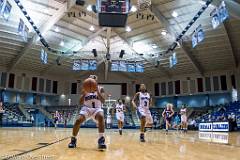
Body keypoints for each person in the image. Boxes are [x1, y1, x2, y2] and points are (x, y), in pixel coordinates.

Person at [68, 75, 107, 150]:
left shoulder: (101, 89)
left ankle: (101, 140)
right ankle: (73, 139)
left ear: (96, 81)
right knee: (78, 120)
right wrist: (84, 94)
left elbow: (103, 101)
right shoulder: (84, 89)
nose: (91, 80)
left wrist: (97, 92)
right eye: (90, 78)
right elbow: (80, 102)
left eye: (93, 79)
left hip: (97, 109)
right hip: (86, 108)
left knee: (101, 116)